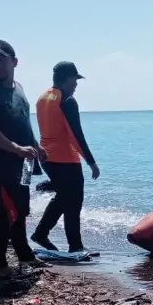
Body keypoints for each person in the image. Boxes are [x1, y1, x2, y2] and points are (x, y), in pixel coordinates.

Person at [0, 38, 49, 281]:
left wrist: (36, 145)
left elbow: (23, 121)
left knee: (22, 209)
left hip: (24, 162)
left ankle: (24, 254)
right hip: (1, 162)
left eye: (1, 58)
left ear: (14, 62)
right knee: (6, 212)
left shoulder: (18, 88)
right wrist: (16, 148)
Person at [31, 61, 100, 253]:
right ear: (67, 78)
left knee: (63, 197)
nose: (76, 84)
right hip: (65, 159)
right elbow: (75, 134)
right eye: (75, 79)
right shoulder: (67, 100)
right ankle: (75, 247)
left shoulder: (43, 98)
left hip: (46, 158)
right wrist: (91, 162)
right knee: (74, 201)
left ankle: (41, 234)